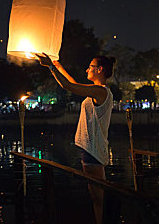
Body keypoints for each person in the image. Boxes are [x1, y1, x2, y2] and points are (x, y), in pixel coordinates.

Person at [36, 53, 116, 224]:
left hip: (93, 151)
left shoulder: (101, 91)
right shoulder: (97, 90)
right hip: (91, 149)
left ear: (99, 69)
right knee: (95, 195)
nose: (87, 69)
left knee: (97, 197)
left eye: (90, 66)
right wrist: (57, 66)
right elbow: (71, 83)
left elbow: (68, 86)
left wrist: (51, 67)